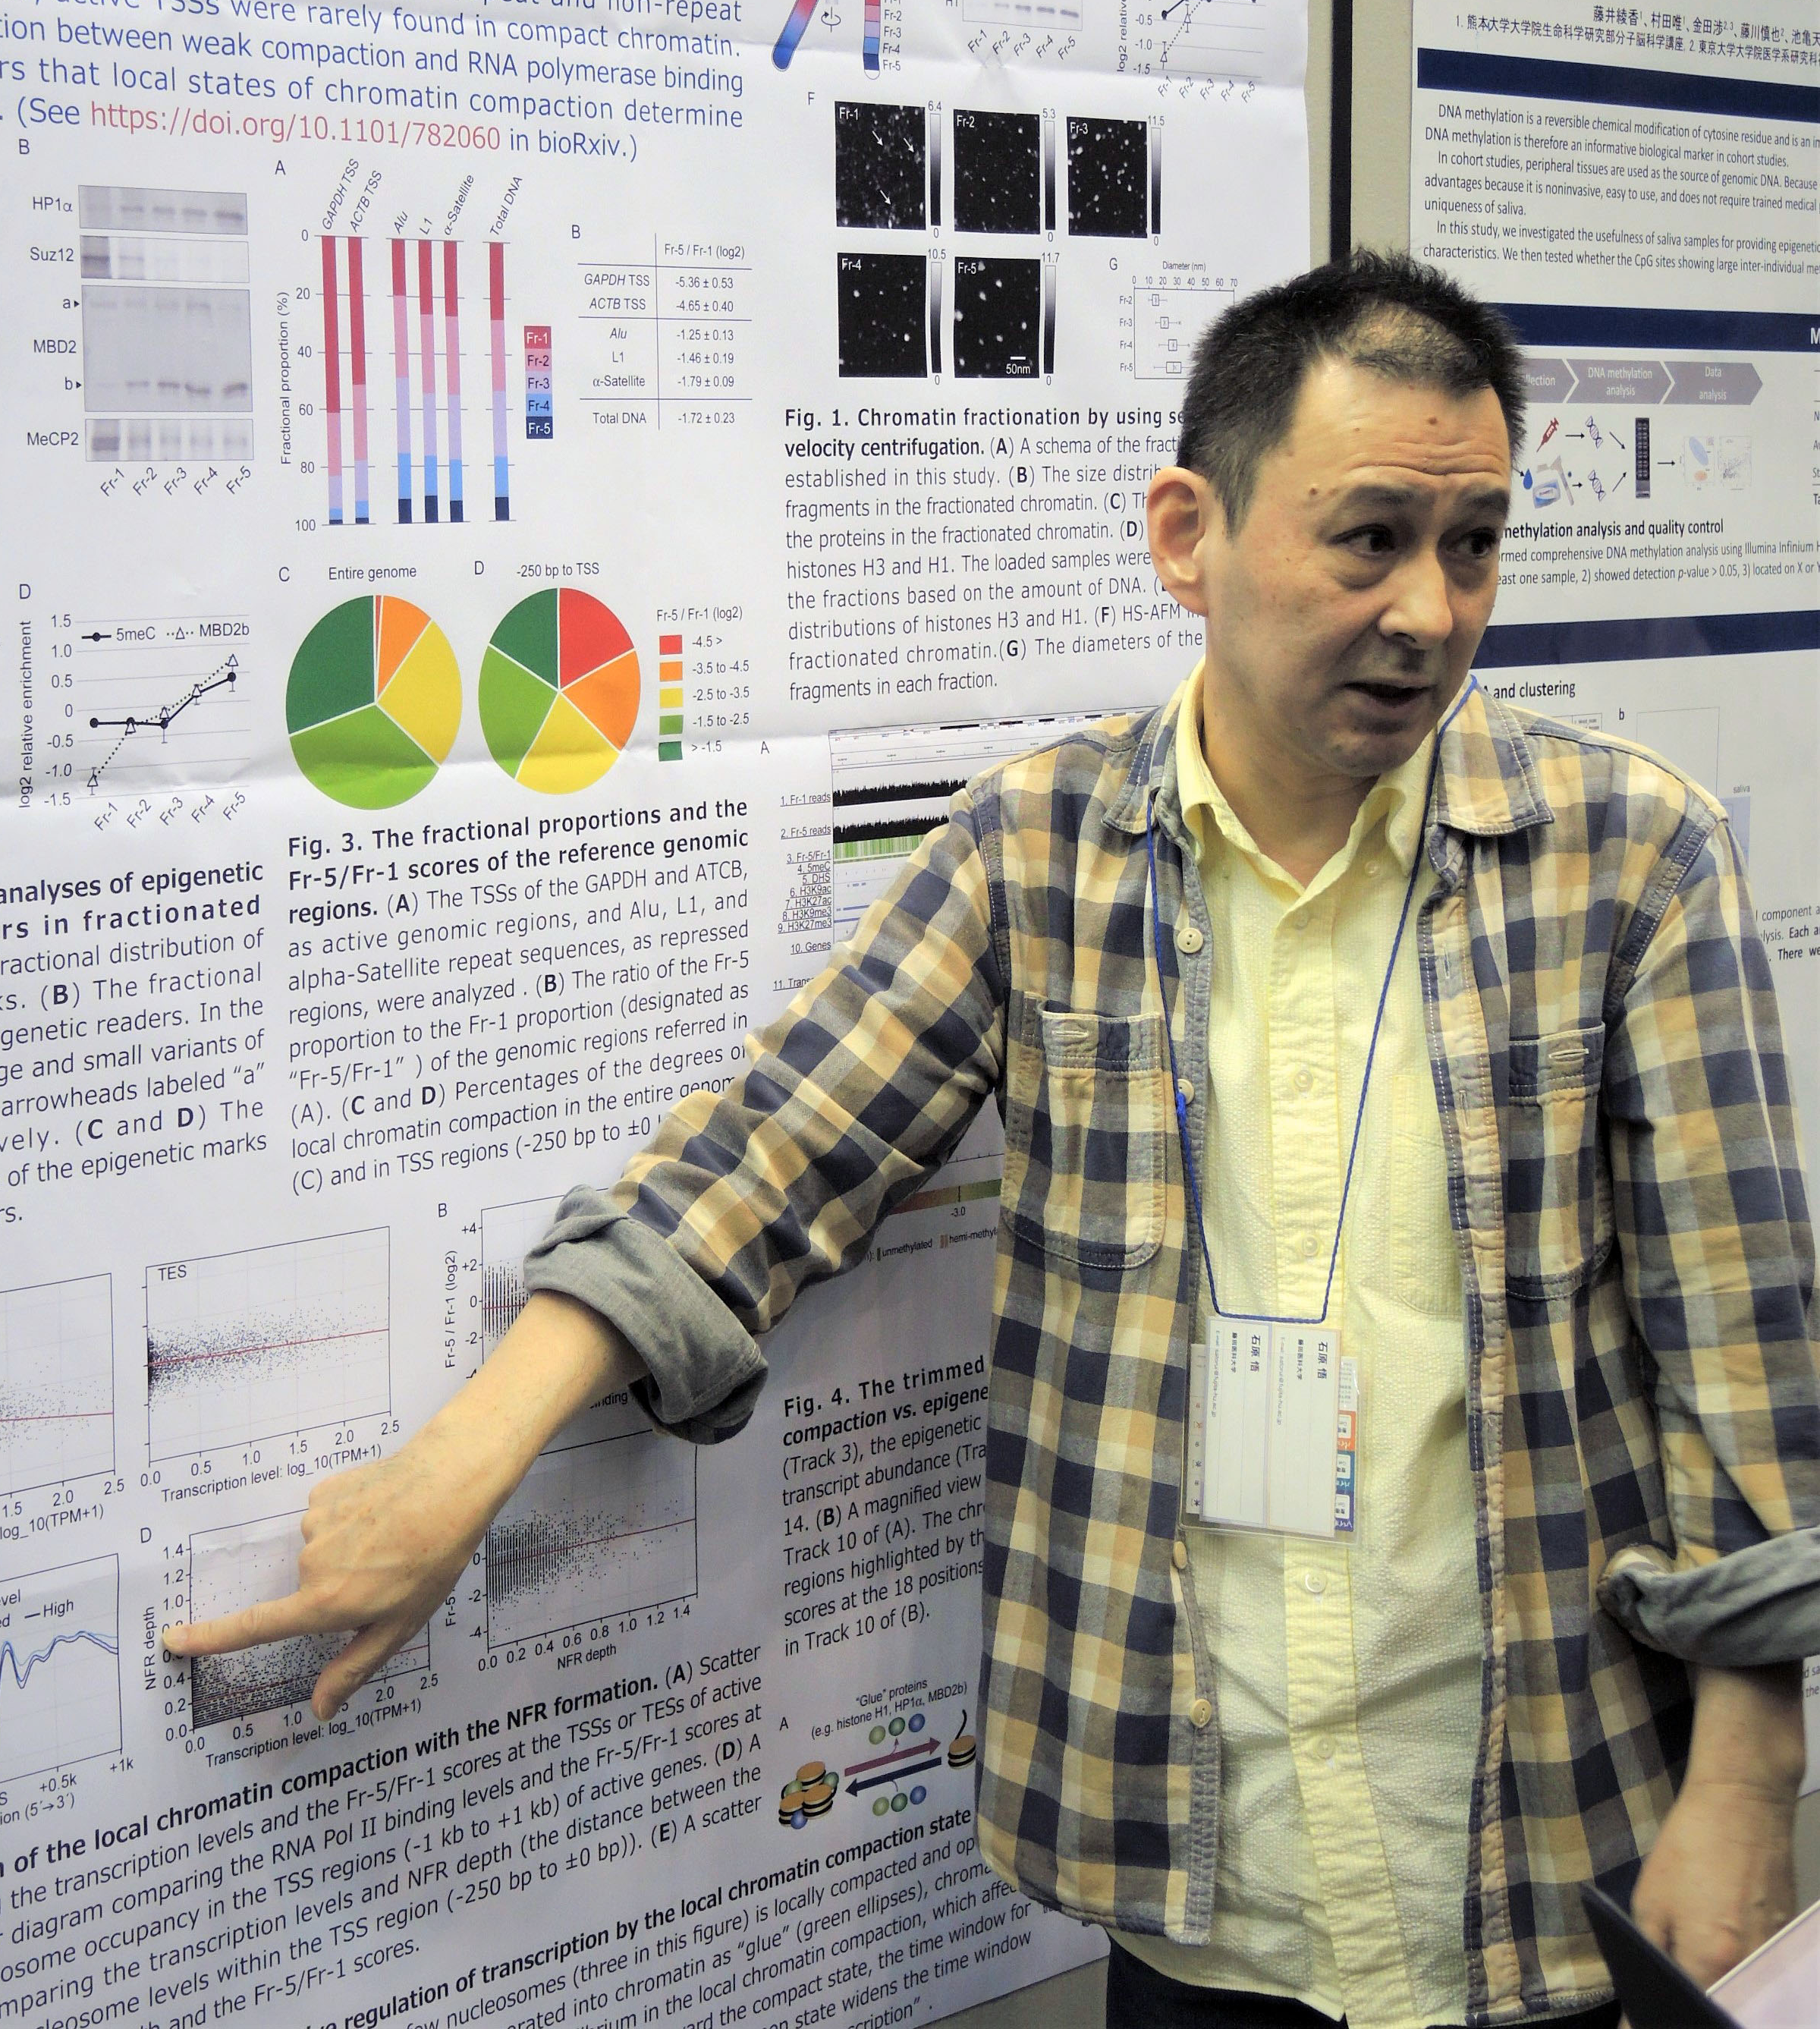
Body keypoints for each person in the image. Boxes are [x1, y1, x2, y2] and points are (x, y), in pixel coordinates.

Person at [166, 252, 1820, 2029]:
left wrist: (1748, 1779)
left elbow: (1737, 1351)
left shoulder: (1627, 858)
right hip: (1192, 1873)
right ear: (1187, 535)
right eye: (1368, 539)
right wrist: (457, 1470)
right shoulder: (1041, 851)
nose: (1428, 609)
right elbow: (771, 1157)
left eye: (1473, 545)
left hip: (1545, 1853)